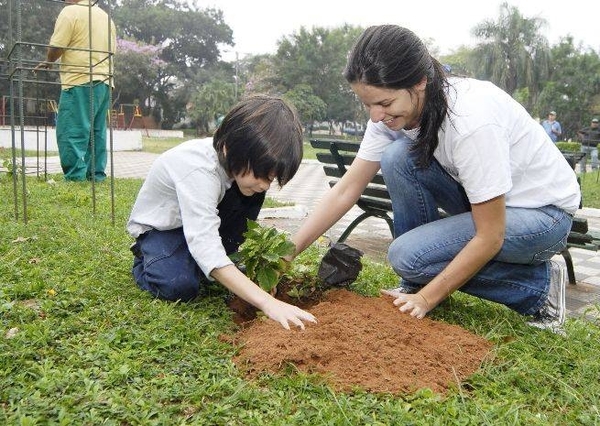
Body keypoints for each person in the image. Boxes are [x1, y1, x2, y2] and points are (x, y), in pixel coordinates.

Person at [289, 25, 580, 333]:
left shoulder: (470, 121)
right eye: (367, 104)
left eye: (384, 104)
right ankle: (413, 280)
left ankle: (539, 286)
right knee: (398, 155)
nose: (375, 116)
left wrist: (427, 298)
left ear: (420, 82)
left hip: (543, 217)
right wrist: (286, 253)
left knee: (406, 256)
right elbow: (346, 190)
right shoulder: (391, 116)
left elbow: (490, 236)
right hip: (489, 206)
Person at [127, 95, 317, 330]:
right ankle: (146, 261)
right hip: (164, 230)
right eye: (261, 174)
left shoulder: (242, 171)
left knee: (250, 192)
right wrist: (268, 303)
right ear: (229, 149)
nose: (266, 186)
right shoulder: (198, 170)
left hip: (202, 221)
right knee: (179, 286)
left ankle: (210, 265)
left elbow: (212, 237)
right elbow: (205, 244)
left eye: (271, 178)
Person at [35, 0, 116, 182]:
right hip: (104, 81)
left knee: (71, 129)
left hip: (80, 79)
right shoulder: (106, 17)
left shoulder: (70, 11)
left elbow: (57, 46)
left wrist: (49, 61)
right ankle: (95, 175)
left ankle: (75, 177)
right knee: (96, 132)